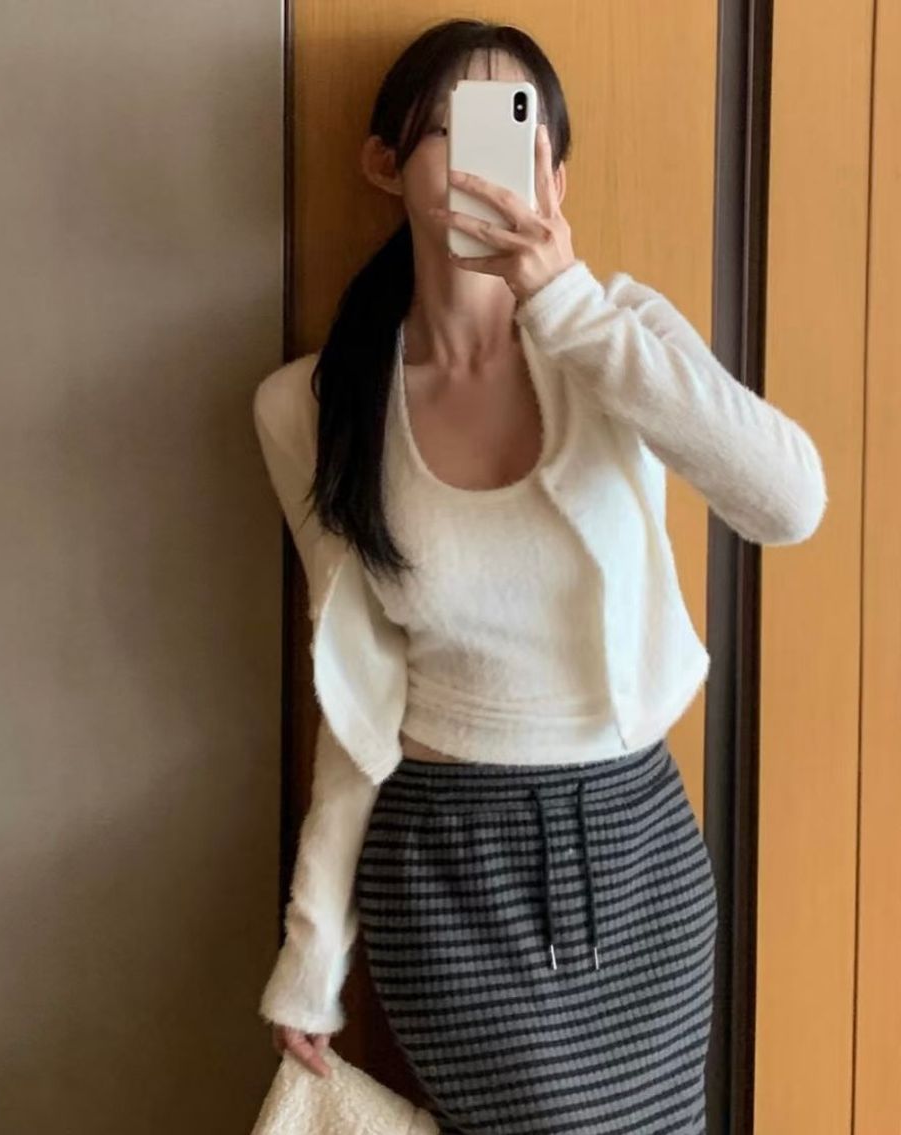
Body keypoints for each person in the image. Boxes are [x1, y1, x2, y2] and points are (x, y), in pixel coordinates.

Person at [252, 17, 827, 1135]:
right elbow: (357, 696)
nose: (489, 161)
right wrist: (313, 951)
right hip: (448, 866)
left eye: (519, 132)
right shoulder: (312, 407)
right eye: (454, 128)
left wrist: (565, 304)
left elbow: (788, 502)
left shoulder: (618, 337)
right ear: (385, 162)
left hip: (639, 847)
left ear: (554, 174)